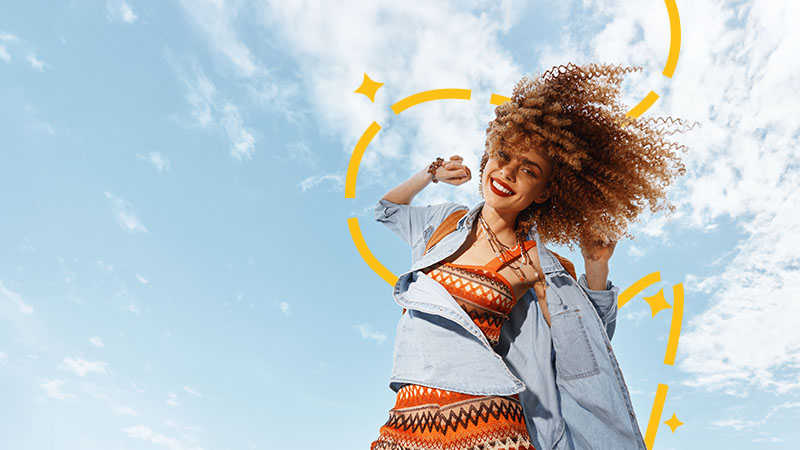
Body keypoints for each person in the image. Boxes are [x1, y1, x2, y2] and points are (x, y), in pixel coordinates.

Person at [369, 62, 695, 450]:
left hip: (487, 422)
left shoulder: (536, 263)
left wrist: (596, 267)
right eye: (503, 155)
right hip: (408, 416)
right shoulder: (442, 222)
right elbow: (386, 209)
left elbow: (586, 345)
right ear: (489, 154)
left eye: (528, 169)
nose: (507, 172)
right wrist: (431, 173)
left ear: (542, 192)